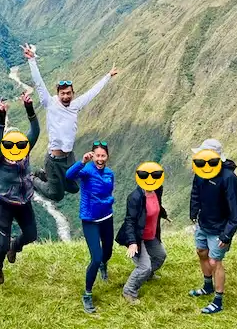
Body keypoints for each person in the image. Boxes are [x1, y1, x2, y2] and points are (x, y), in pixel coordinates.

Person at [21, 43, 118, 202]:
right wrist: (32, 61)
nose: (66, 96)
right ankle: (34, 178)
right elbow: (39, 83)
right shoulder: (49, 103)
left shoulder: (75, 105)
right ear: (57, 94)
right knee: (56, 195)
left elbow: (92, 92)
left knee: (74, 187)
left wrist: (108, 76)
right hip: (53, 160)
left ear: (73, 93)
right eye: (62, 94)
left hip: (69, 157)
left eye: (68, 93)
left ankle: (47, 177)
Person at [188, 139, 237, 315]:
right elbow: (195, 192)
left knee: (214, 261)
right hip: (203, 223)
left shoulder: (229, 178)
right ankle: (207, 286)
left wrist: (227, 235)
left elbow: (235, 210)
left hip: (219, 229)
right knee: (201, 252)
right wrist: (193, 212)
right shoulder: (201, 171)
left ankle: (218, 301)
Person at [0, 93, 41, 284]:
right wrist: (1, 119)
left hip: (24, 201)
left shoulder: (25, 151)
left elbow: (35, 131)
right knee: (1, 245)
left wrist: (29, 108)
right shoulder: (0, 158)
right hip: (3, 203)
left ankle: (16, 246)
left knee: (31, 235)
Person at [66, 141, 115, 313]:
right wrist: (82, 161)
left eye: (103, 155)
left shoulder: (110, 173)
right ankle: (87, 294)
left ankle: (104, 264)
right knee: (96, 257)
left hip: (107, 217)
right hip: (90, 220)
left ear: (107, 157)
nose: (100, 159)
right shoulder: (86, 171)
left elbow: (109, 192)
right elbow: (68, 175)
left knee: (107, 252)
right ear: (93, 156)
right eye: (97, 155)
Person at [117, 166, 168, 303]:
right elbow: (129, 221)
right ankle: (129, 290)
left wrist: (164, 215)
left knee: (160, 256)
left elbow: (157, 206)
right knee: (144, 266)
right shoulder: (135, 197)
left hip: (151, 235)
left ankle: (147, 275)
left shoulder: (157, 189)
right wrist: (132, 243)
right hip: (138, 237)